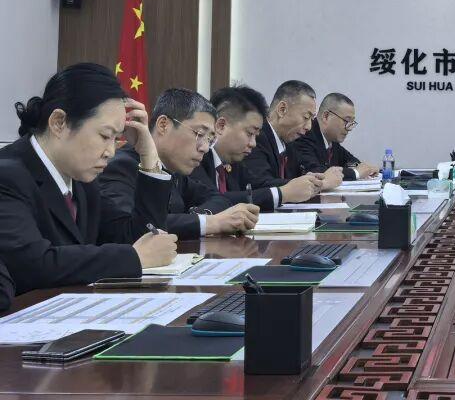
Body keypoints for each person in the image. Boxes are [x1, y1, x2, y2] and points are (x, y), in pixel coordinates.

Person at [0, 63, 177, 293]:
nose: (111, 152)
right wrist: (133, 257)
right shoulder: (7, 176)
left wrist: (148, 155)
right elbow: (32, 265)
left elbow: (140, 238)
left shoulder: (82, 180)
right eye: (104, 136)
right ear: (59, 123)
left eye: (117, 139)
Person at [100, 88, 259, 240]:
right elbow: (134, 229)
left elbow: (219, 199)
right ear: (163, 125)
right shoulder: (121, 167)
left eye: (210, 140)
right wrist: (211, 223)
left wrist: (197, 217)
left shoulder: (173, 170)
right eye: (199, 134)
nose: (204, 148)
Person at [191, 85, 320, 212]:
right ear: (221, 126)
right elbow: (214, 200)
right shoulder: (196, 157)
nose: (253, 143)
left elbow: (256, 188)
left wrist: (306, 183)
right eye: (249, 133)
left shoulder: (234, 162)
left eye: (255, 136)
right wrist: (282, 194)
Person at [242, 80, 324, 190]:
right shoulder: (256, 137)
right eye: (305, 117)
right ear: (282, 109)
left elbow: (302, 172)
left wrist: (312, 178)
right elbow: (260, 184)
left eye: (311, 119)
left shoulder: (289, 143)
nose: (309, 127)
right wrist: (313, 184)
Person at [291, 93, 378, 181]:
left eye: (351, 123)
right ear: (326, 116)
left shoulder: (332, 140)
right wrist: (356, 173)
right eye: (346, 121)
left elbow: (349, 161)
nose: (349, 128)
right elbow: (316, 172)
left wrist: (364, 168)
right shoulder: (305, 135)